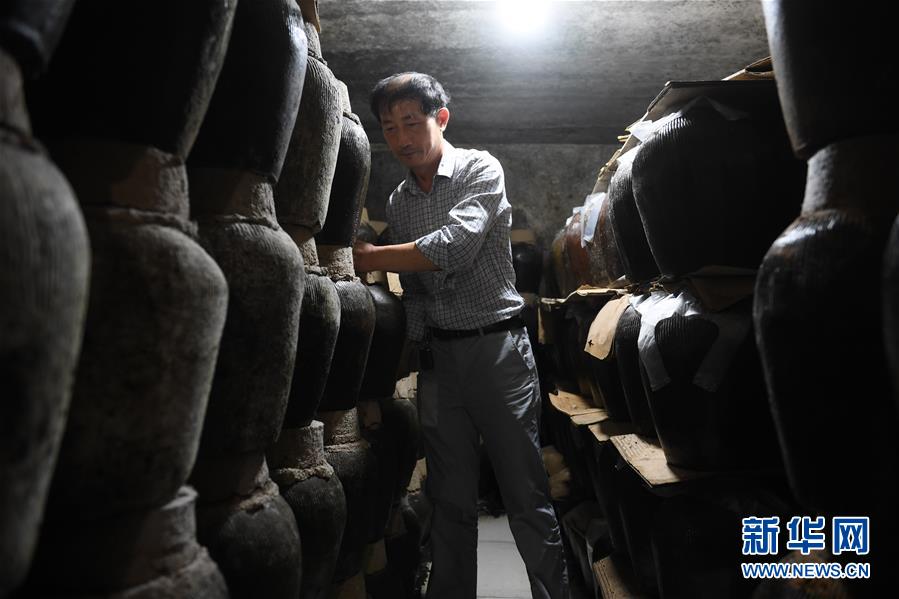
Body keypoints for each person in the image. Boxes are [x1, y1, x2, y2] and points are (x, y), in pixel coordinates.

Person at [353, 72, 569, 599]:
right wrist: (411, 350)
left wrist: (372, 256)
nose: (401, 138)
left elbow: (455, 246)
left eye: (411, 122)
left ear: (441, 118)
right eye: (389, 128)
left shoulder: (480, 169)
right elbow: (416, 291)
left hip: (497, 351)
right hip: (441, 362)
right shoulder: (401, 201)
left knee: (525, 494)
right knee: (449, 501)